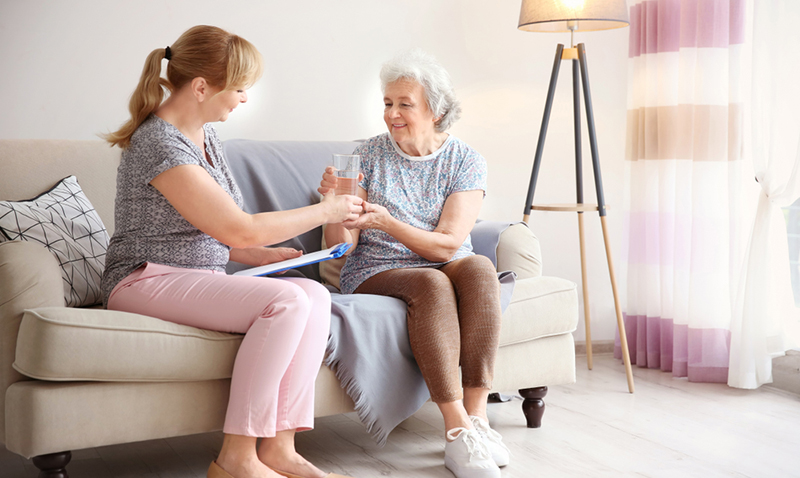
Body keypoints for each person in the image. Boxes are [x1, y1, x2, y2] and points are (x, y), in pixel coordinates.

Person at [102, 25, 361, 478]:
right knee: (285, 302)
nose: (243, 99)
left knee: (314, 295)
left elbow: (211, 233)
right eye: (240, 89)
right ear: (201, 87)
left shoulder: (206, 137)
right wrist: (327, 210)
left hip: (194, 276)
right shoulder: (160, 144)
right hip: (144, 278)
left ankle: (280, 447)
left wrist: (260, 256)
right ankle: (236, 459)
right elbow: (238, 229)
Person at [319, 49, 508, 478]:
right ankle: (457, 430)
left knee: (478, 268)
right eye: (388, 103)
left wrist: (387, 219)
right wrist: (332, 207)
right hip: (376, 268)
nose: (392, 113)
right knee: (432, 284)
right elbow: (344, 246)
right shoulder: (365, 157)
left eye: (405, 104)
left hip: (439, 258)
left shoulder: (464, 160)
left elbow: (446, 247)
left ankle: (478, 419)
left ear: (435, 109)